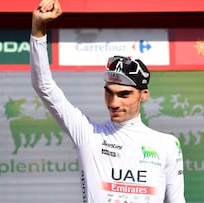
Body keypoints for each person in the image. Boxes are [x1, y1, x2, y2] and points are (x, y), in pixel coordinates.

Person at [30, 0, 186, 202]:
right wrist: (38, 29)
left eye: (124, 94)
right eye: (109, 92)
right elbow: (44, 86)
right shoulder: (88, 135)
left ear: (144, 94)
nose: (113, 103)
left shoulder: (167, 144)